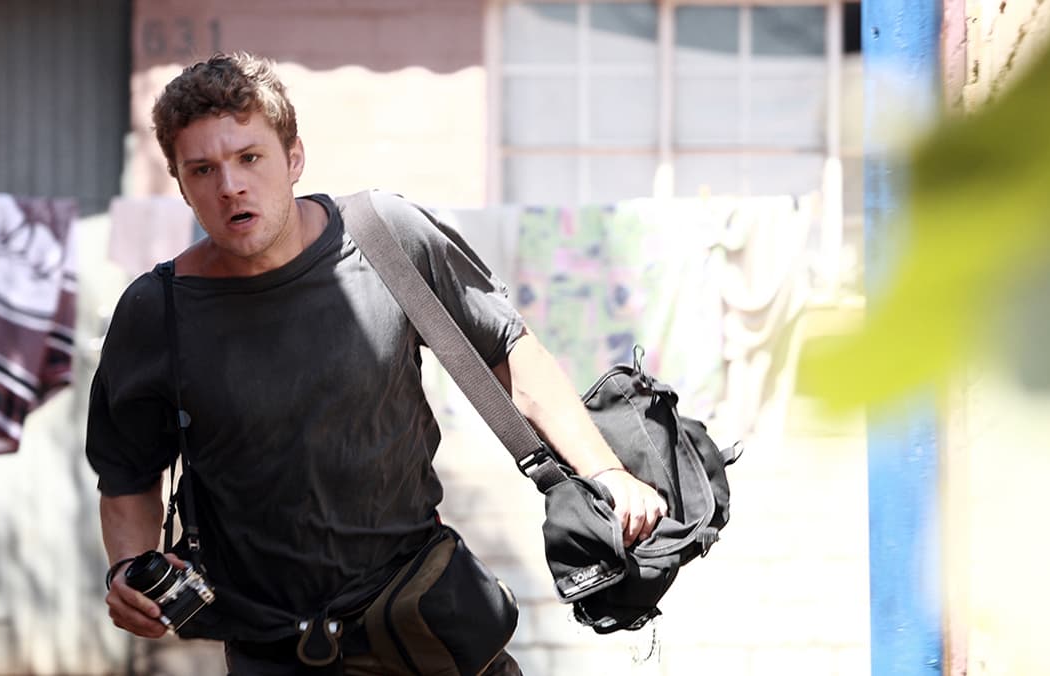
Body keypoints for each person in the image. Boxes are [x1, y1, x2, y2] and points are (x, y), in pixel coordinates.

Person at [85, 52, 666, 674]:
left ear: (294, 158)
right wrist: (128, 568)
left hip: (420, 618)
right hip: (275, 649)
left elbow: (507, 350)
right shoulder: (157, 311)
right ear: (181, 185)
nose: (230, 186)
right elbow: (127, 473)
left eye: (249, 158)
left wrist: (606, 471)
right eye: (203, 169)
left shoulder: (382, 236)